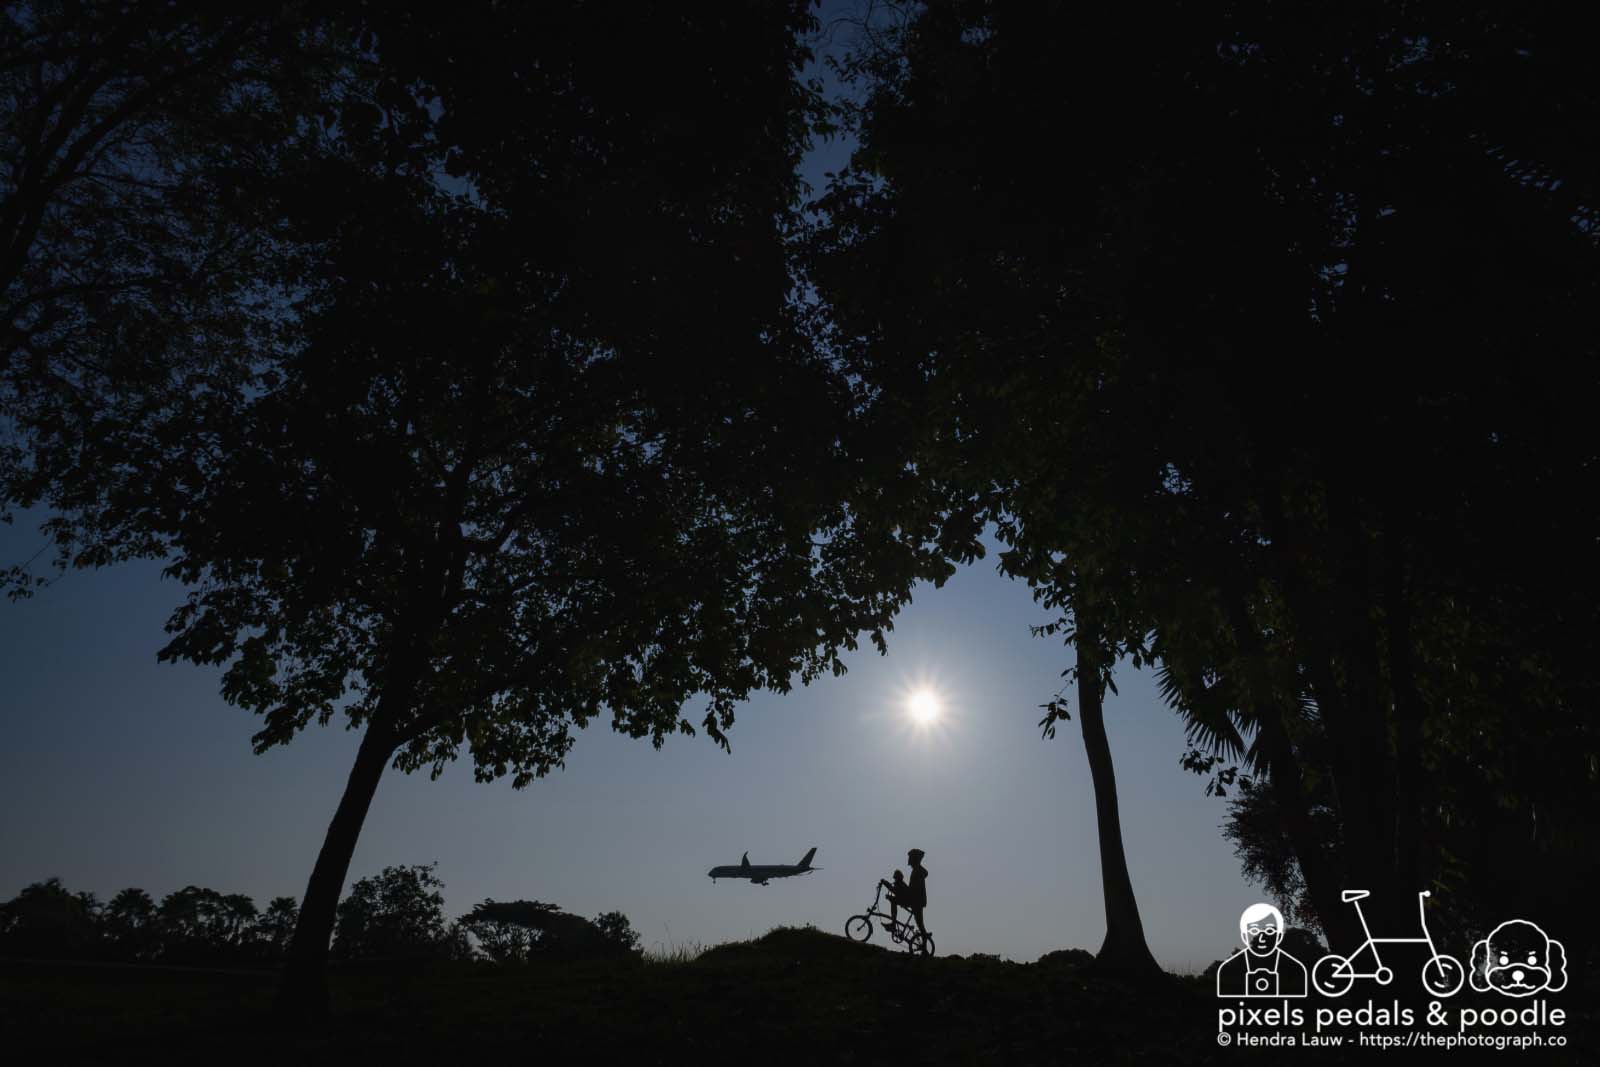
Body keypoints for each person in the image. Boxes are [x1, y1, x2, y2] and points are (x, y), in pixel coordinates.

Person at [881, 848, 928, 938]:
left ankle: (924, 947)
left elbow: (913, 890)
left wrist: (899, 893)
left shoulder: (918, 872)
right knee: (893, 901)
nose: (909, 860)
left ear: (914, 859)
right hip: (914, 900)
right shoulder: (916, 871)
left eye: (910, 858)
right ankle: (893, 925)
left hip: (916, 902)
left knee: (920, 925)